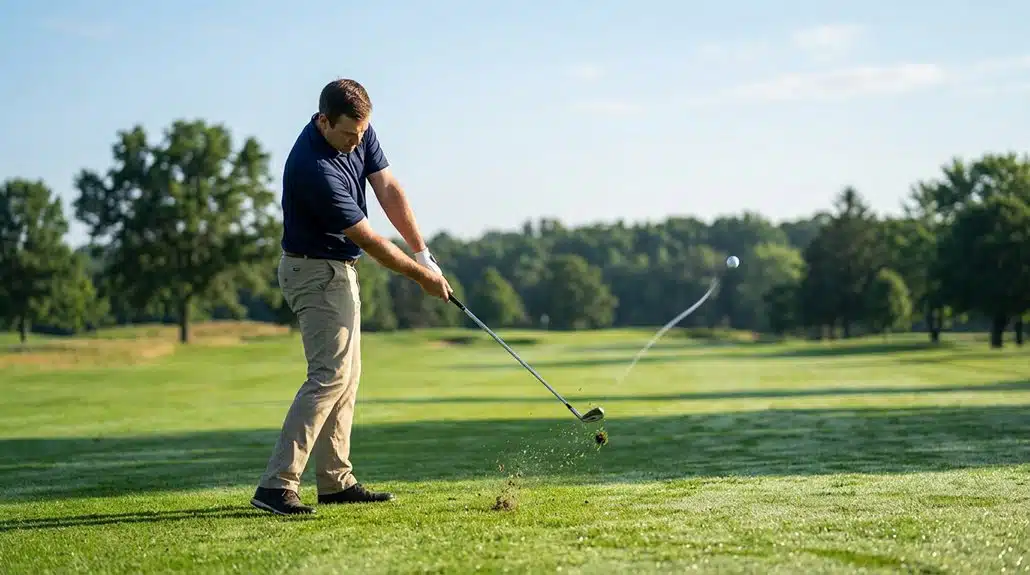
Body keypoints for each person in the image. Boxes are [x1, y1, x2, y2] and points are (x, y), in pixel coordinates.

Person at [251, 78, 452, 516]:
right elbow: (371, 240)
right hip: (314, 271)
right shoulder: (313, 168)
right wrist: (421, 277)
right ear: (323, 121)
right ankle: (277, 484)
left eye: (362, 134)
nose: (356, 142)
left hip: (337, 271)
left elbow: (387, 188)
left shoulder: (357, 127)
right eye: (348, 135)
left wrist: (423, 253)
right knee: (329, 376)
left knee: (347, 375)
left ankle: (335, 481)